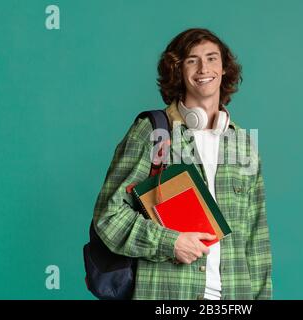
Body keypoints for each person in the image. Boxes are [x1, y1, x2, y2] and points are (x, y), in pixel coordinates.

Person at [93, 28, 272, 300]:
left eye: (212, 58)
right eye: (192, 60)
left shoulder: (243, 144)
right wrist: (170, 242)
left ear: (224, 68)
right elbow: (109, 217)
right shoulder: (152, 132)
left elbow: (256, 241)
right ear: (178, 71)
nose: (204, 68)